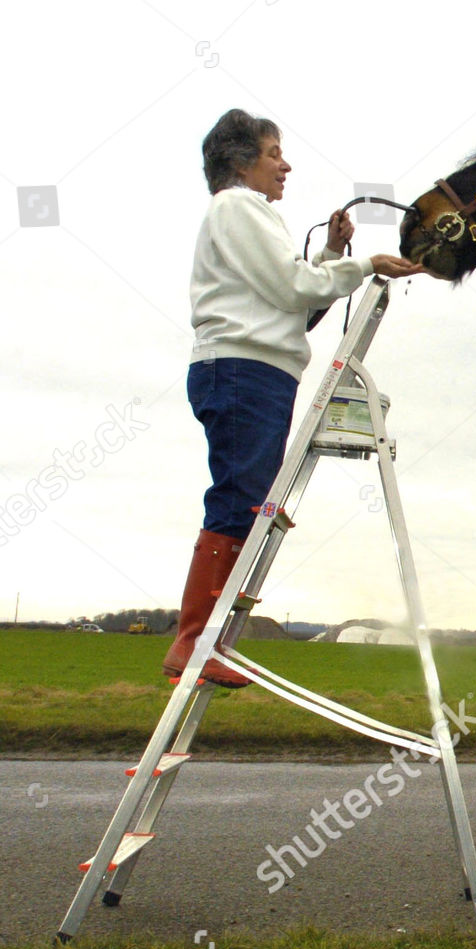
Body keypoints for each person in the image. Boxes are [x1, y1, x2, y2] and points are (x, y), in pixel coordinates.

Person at [163, 109, 423, 686]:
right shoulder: (238, 206)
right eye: (274, 152)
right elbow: (293, 286)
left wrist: (331, 255)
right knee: (238, 498)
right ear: (241, 161)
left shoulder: (247, 216)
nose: (285, 164)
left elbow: (297, 307)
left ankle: (207, 643)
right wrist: (365, 263)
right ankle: (195, 642)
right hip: (242, 371)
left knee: (247, 498)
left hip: (257, 372)